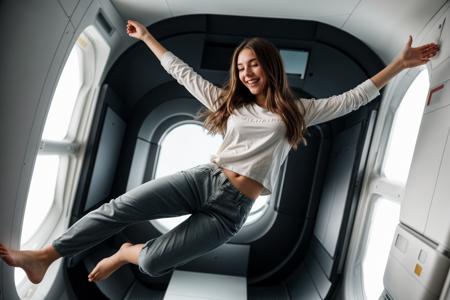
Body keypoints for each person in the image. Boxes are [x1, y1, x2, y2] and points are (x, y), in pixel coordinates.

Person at [0, 19, 439, 285]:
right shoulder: (229, 103)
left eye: (254, 65)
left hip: (230, 212)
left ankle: (123, 252)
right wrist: (148, 37)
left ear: (270, 66)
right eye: (241, 67)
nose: (247, 73)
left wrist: (399, 64)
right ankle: (45, 256)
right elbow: (182, 73)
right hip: (202, 179)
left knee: (151, 263)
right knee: (119, 208)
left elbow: (354, 97)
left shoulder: (297, 113)